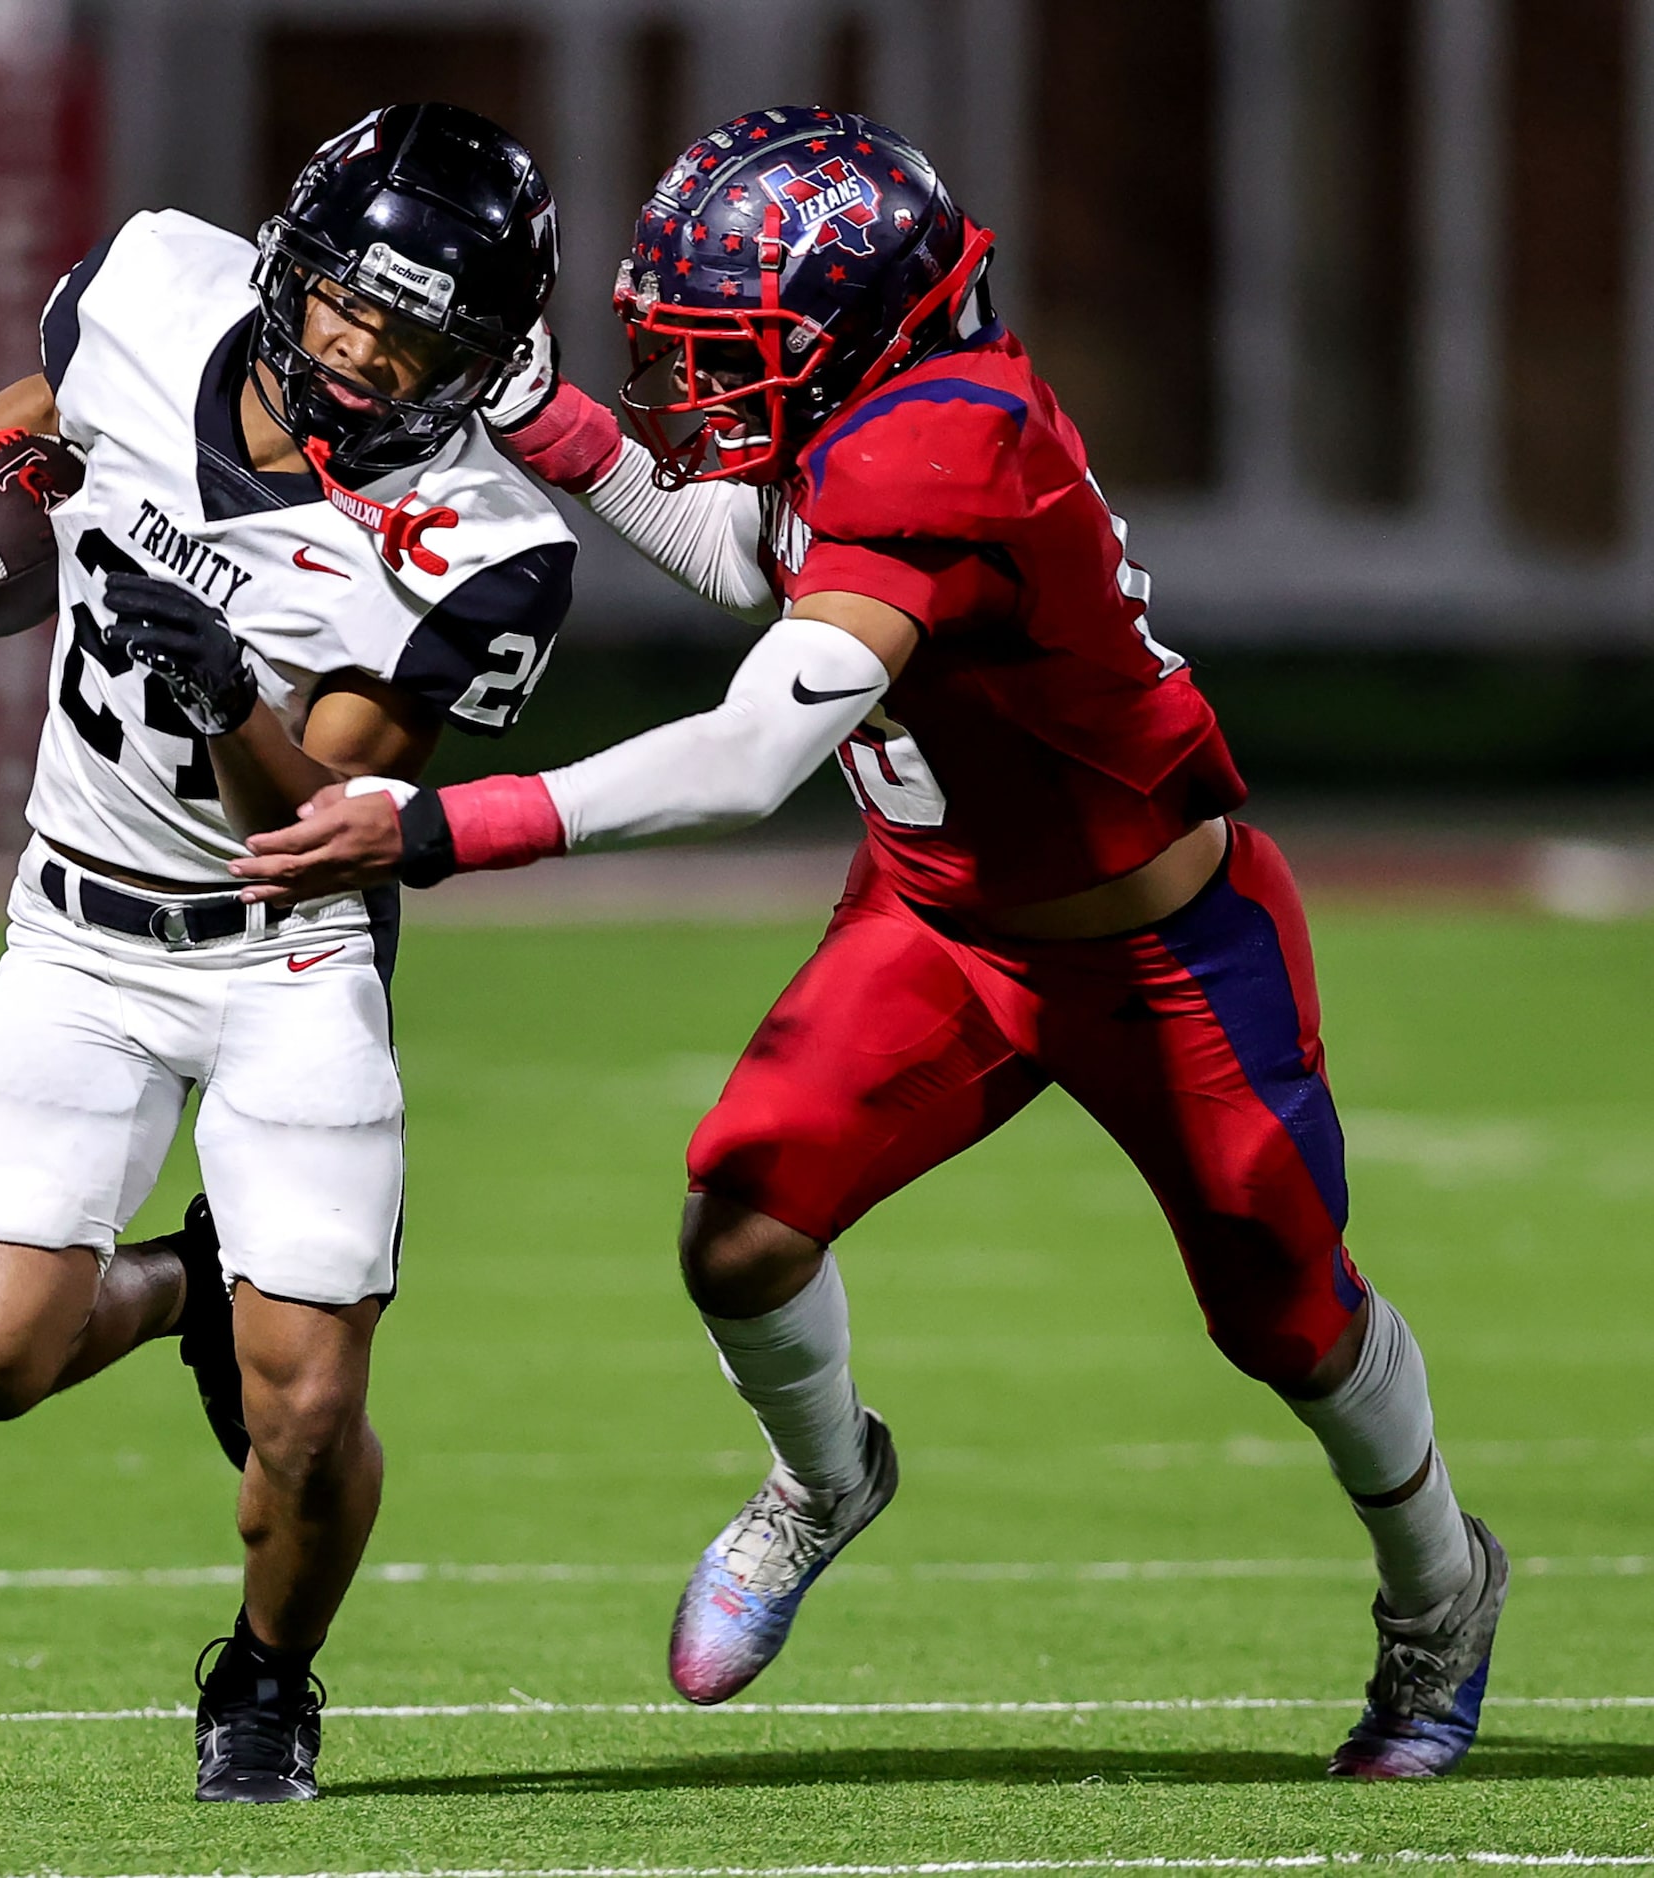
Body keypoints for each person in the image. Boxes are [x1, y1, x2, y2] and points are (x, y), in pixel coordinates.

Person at [224, 106, 1509, 1781]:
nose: (698, 375)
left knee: (1289, 1315)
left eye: (725, 339)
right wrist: (555, 424)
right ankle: (827, 1479)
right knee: (741, 1226)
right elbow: (763, 563)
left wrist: (443, 825)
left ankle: (1442, 1590)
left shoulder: (948, 443)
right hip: (938, 914)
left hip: (1162, 948)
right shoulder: (882, 415)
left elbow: (757, 747)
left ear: (843, 323)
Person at [0, 102, 572, 1804]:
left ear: (484, 356)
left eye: (423, 331)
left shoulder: (491, 548)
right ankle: (180, 1295)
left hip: (284, 947)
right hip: (74, 926)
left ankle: (268, 1675)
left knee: (308, 1412)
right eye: (350, 304)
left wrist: (228, 693)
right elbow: (50, 412)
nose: (369, 353)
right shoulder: (157, 286)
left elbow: (328, 814)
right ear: (289, 266)